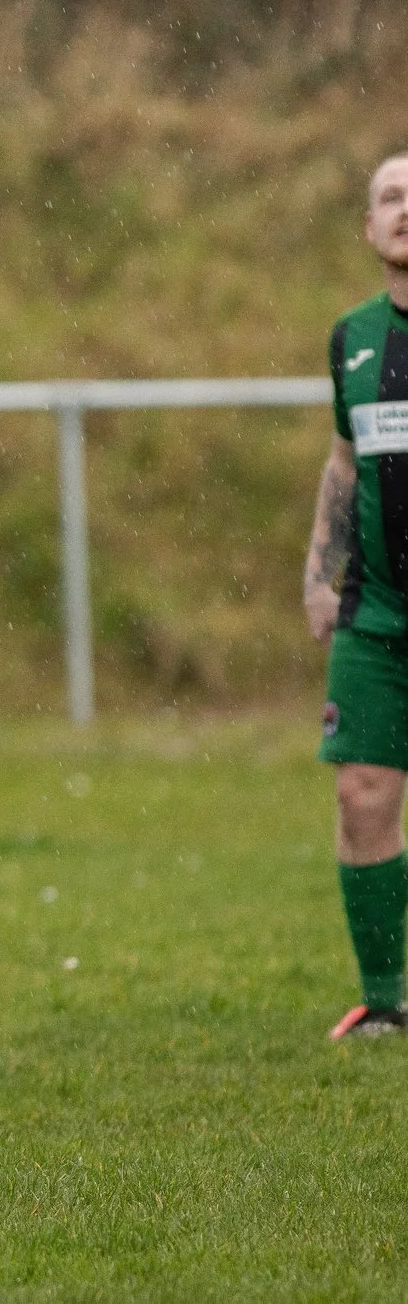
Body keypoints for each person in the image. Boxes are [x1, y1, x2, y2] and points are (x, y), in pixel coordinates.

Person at [305, 152, 408, 1040]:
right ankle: (383, 1003)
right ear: (369, 228)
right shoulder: (352, 339)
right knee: (362, 794)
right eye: (389, 197)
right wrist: (316, 574)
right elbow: (344, 464)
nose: (405, 209)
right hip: (375, 615)